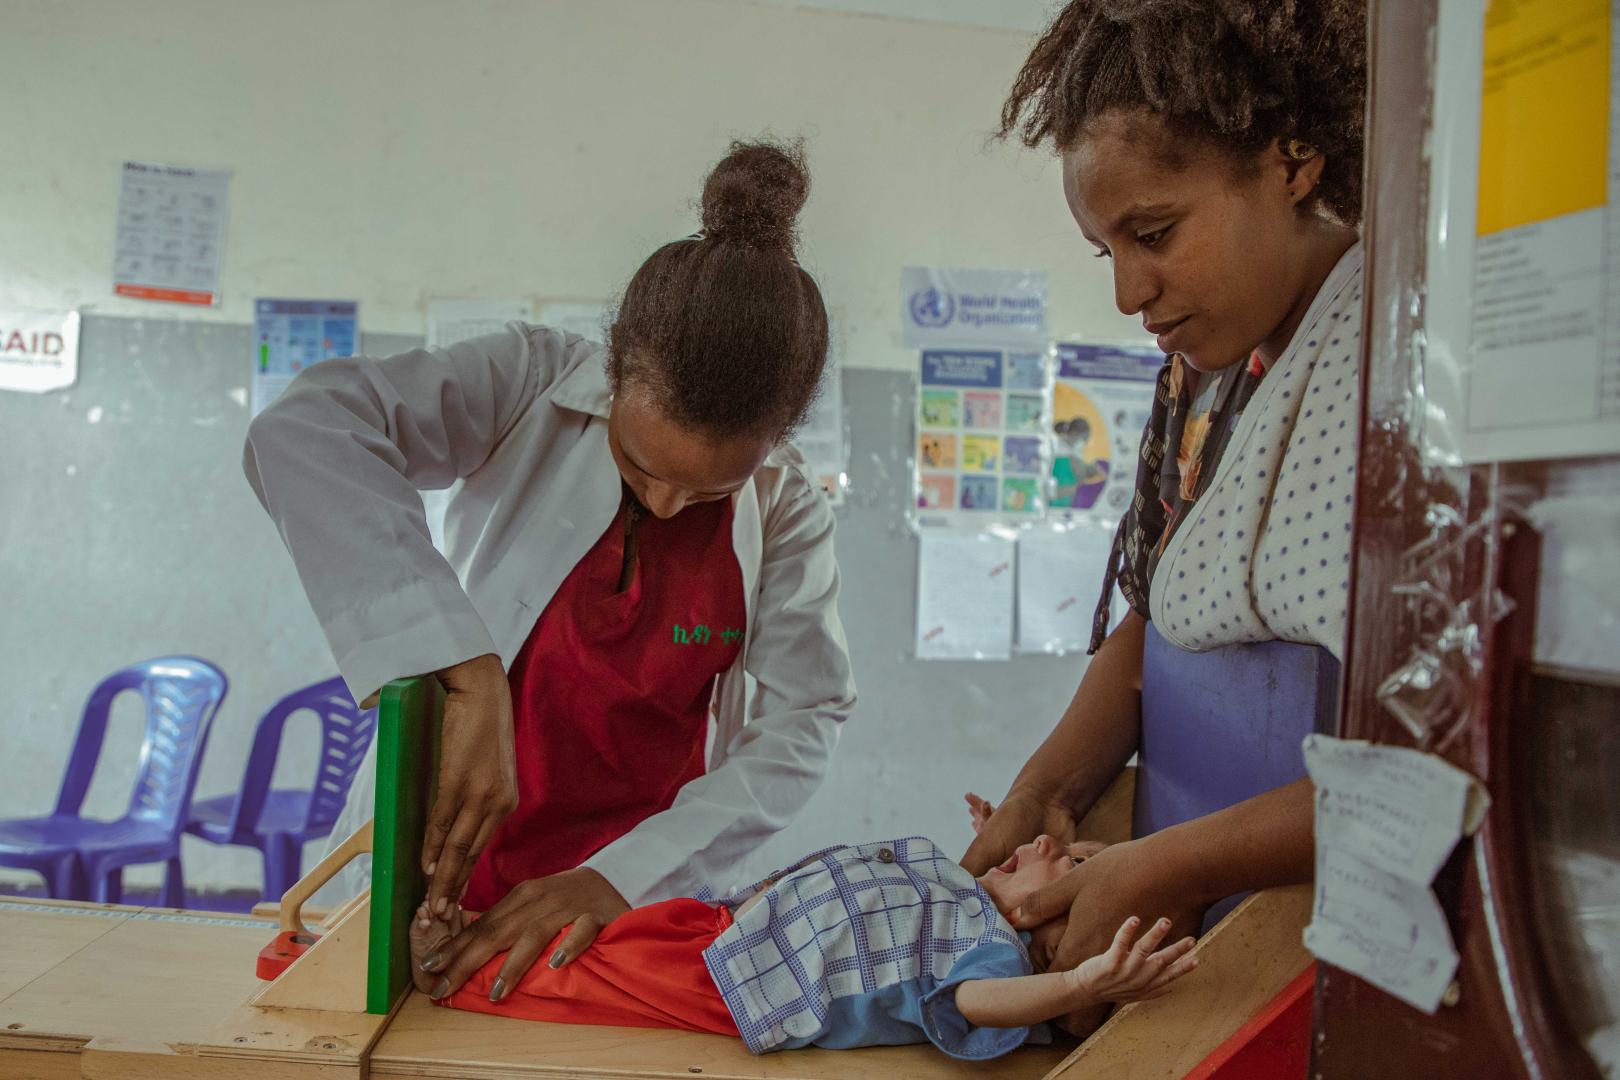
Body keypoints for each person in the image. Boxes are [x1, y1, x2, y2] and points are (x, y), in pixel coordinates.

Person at [244, 140, 856, 996]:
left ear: (778, 440)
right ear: (612, 377)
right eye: (641, 468)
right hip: (444, 878)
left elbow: (805, 716)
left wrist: (615, 879)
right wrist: (469, 671)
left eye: (710, 489)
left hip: (621, 907)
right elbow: (305, 431)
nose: (671, 505)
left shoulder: (787, 509)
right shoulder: (527, 384)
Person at [961, 0, 1367, 1028]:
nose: (1131, 293)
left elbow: (1413, 763)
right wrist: (1045, 790)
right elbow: (1157, 619)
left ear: (1296, 157)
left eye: (1155, 233)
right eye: (1109, 252)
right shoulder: (1202, 375)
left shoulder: (1385, 356)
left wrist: (1166, 867)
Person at [410, 833, 1197, 1061]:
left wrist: (1082, 986)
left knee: (599, 976)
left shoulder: (990, 950)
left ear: (1052, 924)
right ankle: (477, 927)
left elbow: (971, 1005)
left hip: (753, 982)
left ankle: (454, 977)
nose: (1048, 841)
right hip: (735, 925)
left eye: (1075, 862)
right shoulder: (964, 890)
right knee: (608, 936)